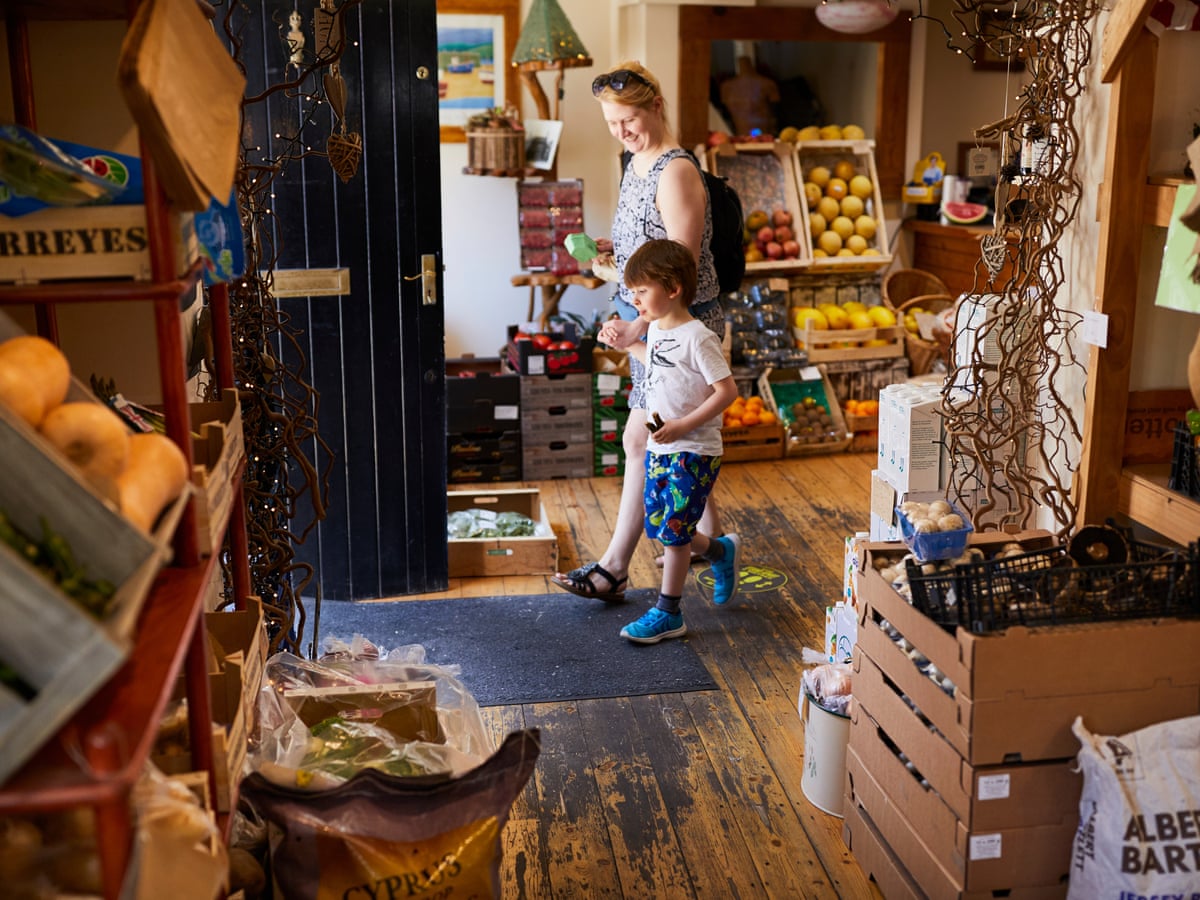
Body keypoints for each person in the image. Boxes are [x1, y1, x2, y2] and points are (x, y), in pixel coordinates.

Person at [551, 60, 729, 602]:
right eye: (610, 123)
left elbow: (680, 269)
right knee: (684, 446)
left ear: (656, 105)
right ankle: (713, 546)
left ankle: (614, 569)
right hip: (650, 323)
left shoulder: (675, 171)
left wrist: (636, 327)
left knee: (643, 439)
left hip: (678, 328)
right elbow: (653, 244)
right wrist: (616, 248)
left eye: (627, 119)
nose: (620, 131)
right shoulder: (635, 161)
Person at [611, 238, 741, 643]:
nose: (634, 300)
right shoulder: (660, 331)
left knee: (673, 531)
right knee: (663, 525)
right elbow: (657, 365)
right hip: (661, 444)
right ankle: (721, 552)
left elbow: (727, 391)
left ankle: (668, 611)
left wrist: (684, 425)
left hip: (695, 448)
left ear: (673, 288)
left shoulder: (698, 336)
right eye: (631, 292)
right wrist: (624, 343)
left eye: (642, 291)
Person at [719, 56, 780, 137]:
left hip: (763, 135)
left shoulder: (767, 84)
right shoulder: (726, 87)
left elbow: (775, 110)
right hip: (739, 136)